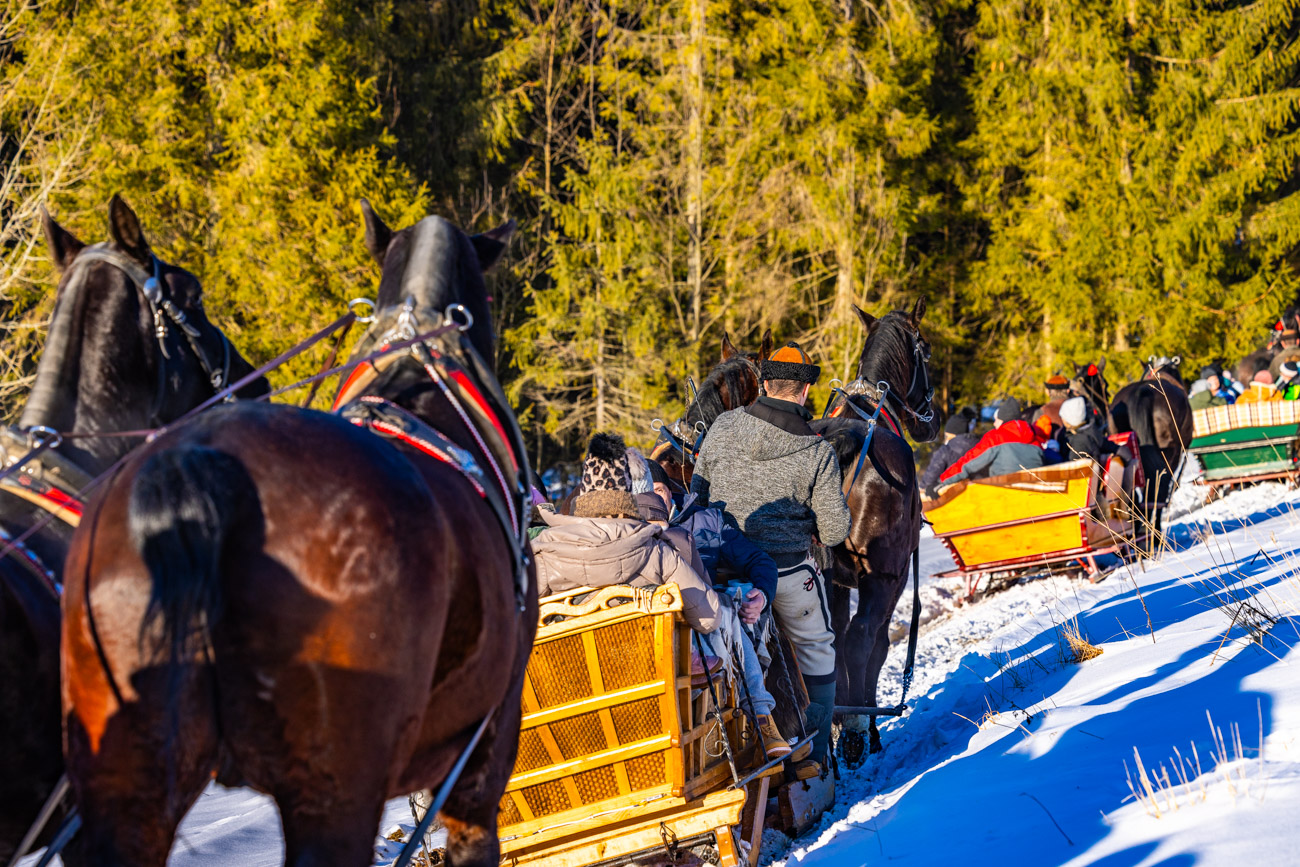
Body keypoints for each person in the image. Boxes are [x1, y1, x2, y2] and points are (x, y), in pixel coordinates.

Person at [533, 433, 792, 759]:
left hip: (576, 689)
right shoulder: (655, 549)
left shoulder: (544, 551)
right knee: (725, 615)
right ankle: (760, 719)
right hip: (652, 678)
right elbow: (709, 617)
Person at [689, 341, 850, 779]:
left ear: (763, 384)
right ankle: (816, 757)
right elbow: (834, 532)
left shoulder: (723, 425)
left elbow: (698, 495)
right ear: (804, 391)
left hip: (722, 569)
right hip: (786, 570)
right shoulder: (817, 451)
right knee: (817, 648)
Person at [938, 397, 1046, 487]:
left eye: (996, 420)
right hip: (1032, 489)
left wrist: (943, 480)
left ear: (1003, 420)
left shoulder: (995, 437)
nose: (994, 424)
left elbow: (969, 462)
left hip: (1002, 490)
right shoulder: (1034, 437)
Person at [920, 407, 979, 497]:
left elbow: (932, 472)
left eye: (947, 436)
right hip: (977, 492)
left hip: (950, 495)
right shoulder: (980, 445)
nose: (945, 439)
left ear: (953, 435)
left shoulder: (946, 450)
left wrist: (922, 487)